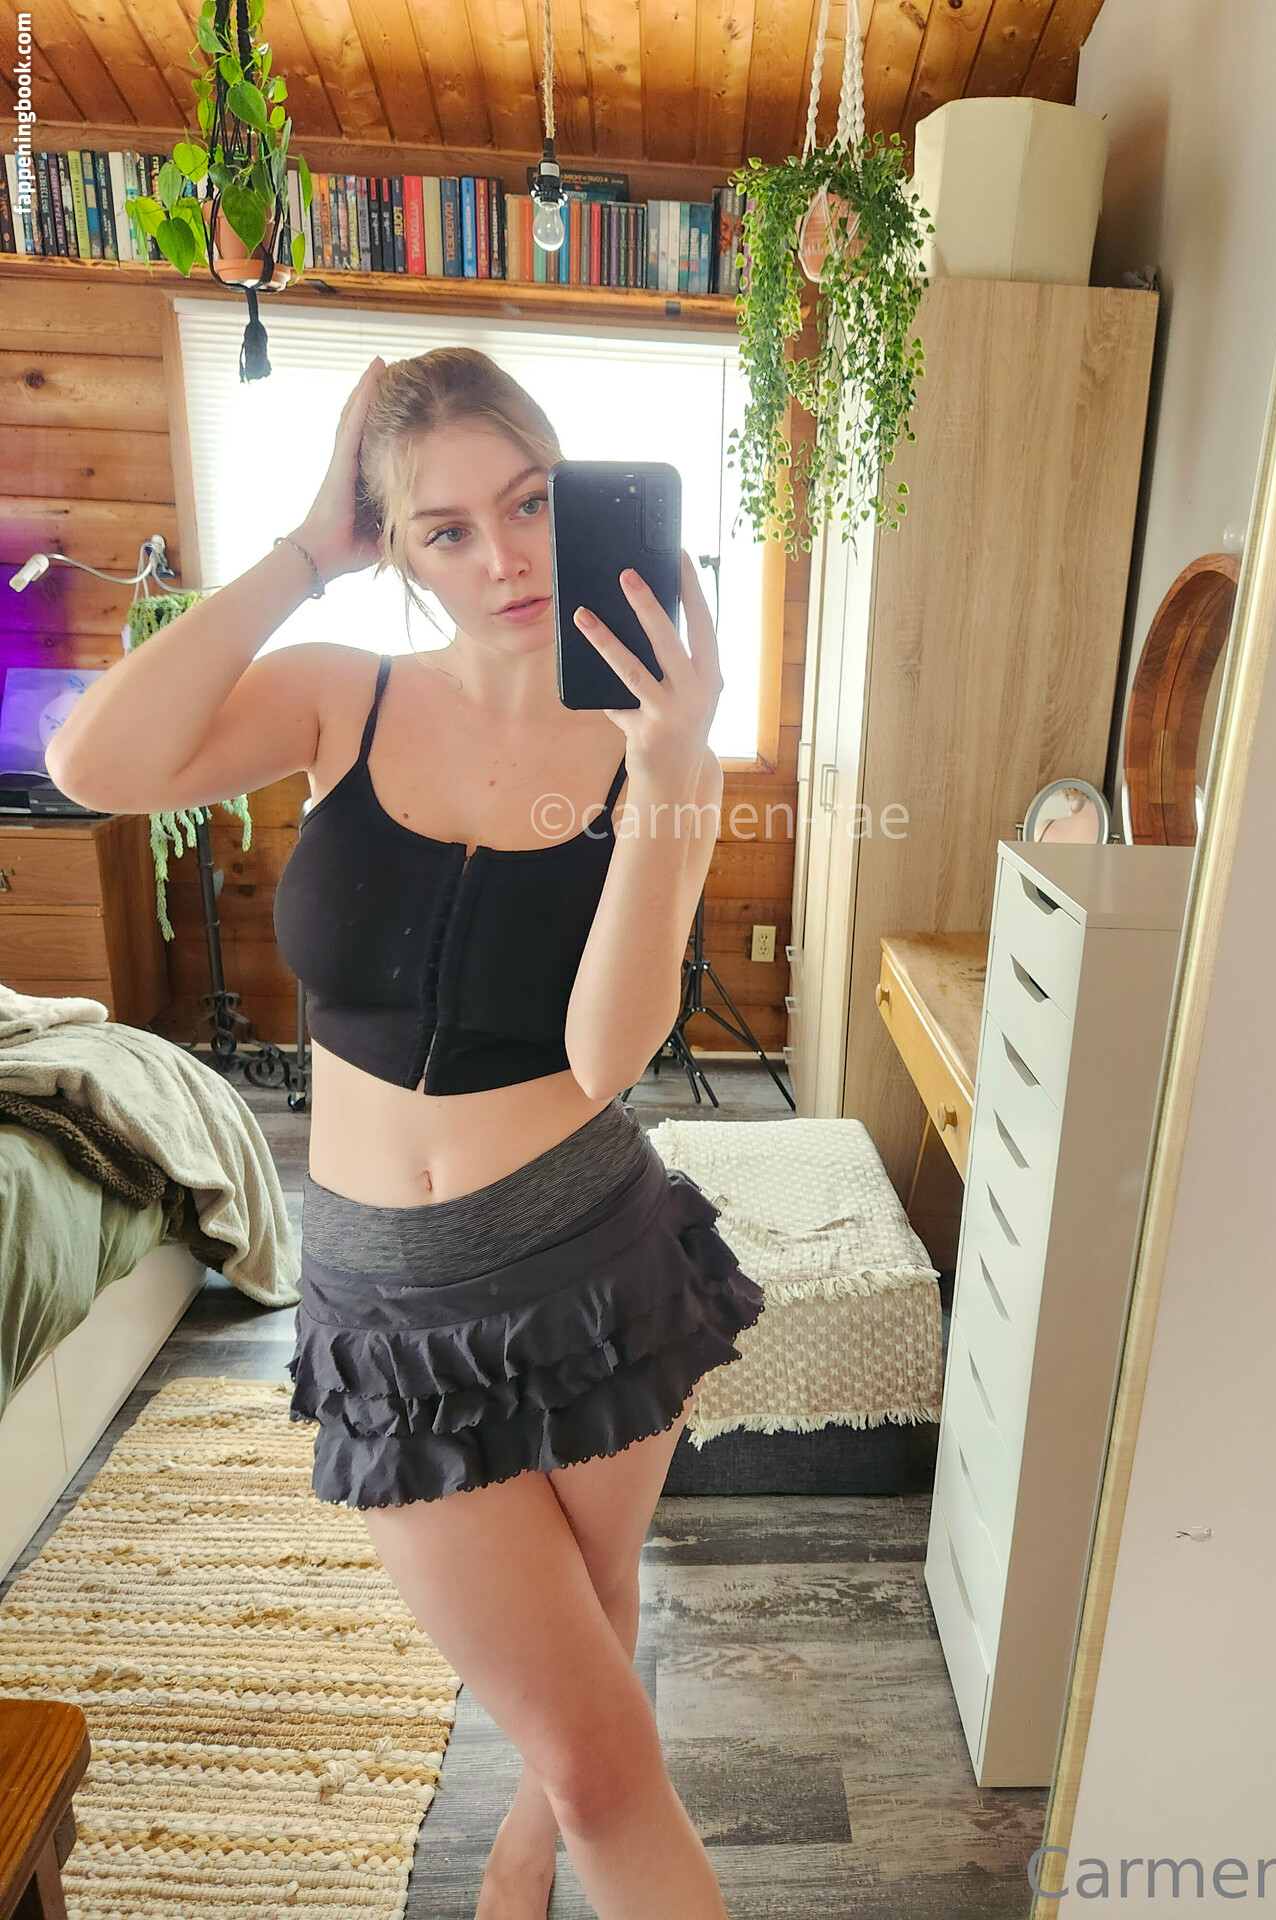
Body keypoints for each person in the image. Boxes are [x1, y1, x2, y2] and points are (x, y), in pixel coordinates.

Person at [44, 346, 767, 1920]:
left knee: (591, 1665)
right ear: (397, 546)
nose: (503, 556)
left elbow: (607, 1053)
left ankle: (531, 1841)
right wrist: (305, 554)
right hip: (387, 1303)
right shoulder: (342, 695)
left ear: (574, 493)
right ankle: (541, 1825)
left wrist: (670, 773)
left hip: (591, 1267)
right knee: (590, 1728)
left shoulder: (651, 745)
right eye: (445, 528)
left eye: (529, 503)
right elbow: (91, 763)